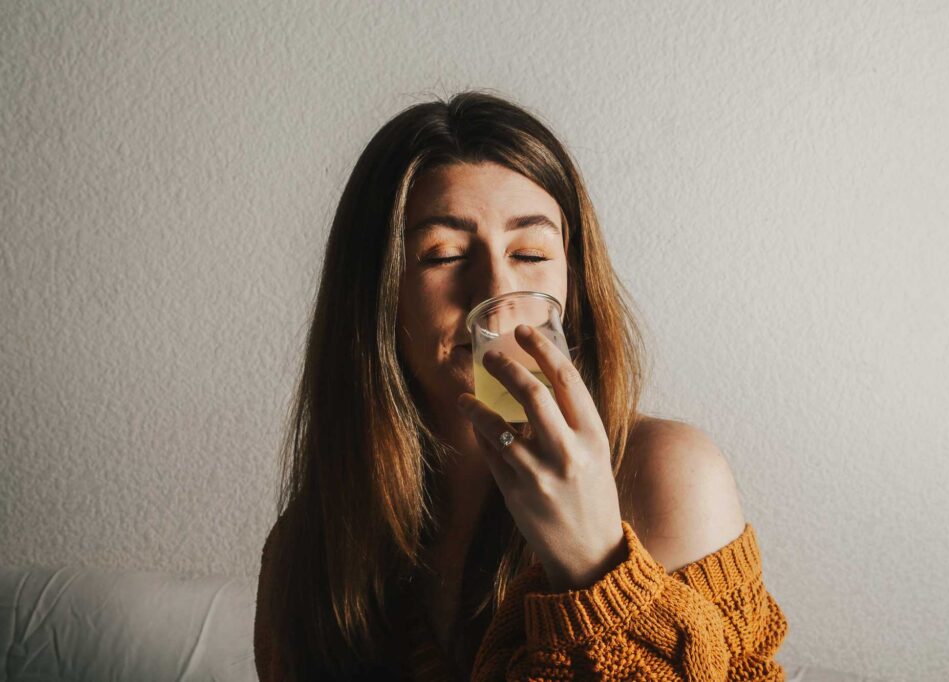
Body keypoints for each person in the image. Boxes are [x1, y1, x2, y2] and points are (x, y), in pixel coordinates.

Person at [253, 89, 788, 681]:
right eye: (444, 255)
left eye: (531, 252)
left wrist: (595, 566)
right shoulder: (305, 552)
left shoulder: (667, 476)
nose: (496, 290)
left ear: (573, 285)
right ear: (376, 299)